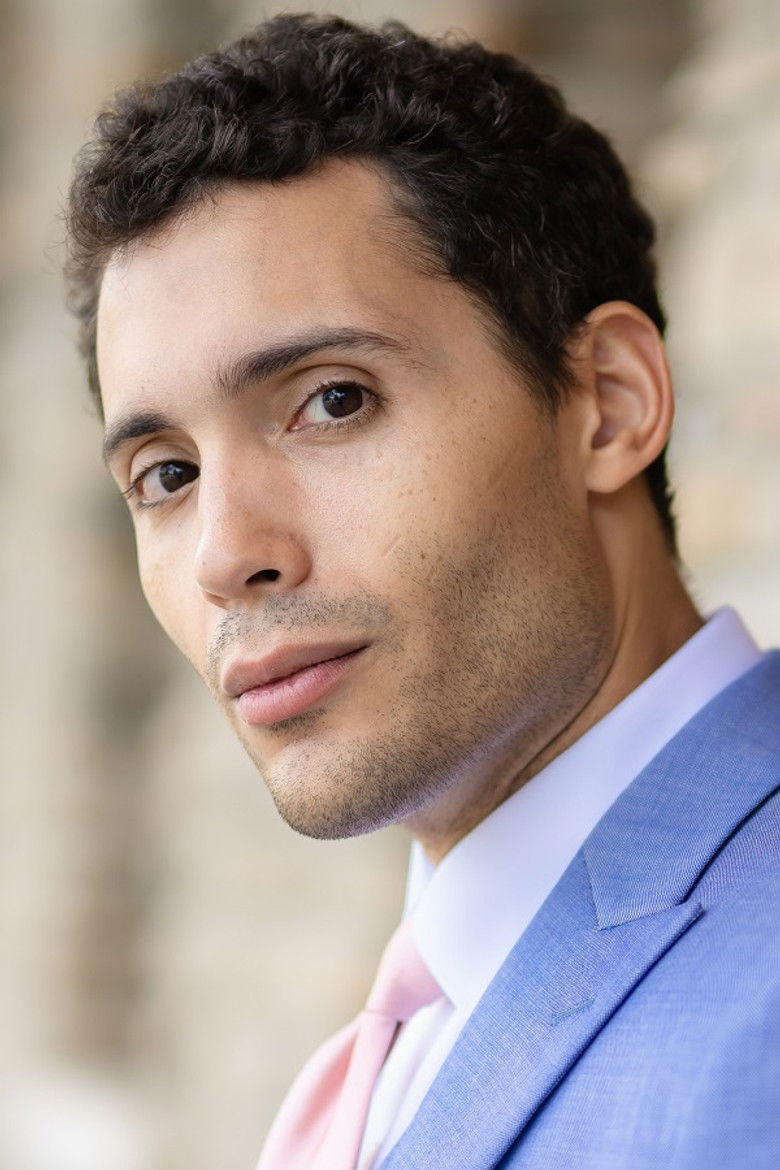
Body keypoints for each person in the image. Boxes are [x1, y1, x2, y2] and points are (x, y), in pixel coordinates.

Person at [65, 14, 779, 1170]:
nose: (224, 555)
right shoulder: (430, 1014)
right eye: (167, 475)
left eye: (333, 401)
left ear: (608, 402)